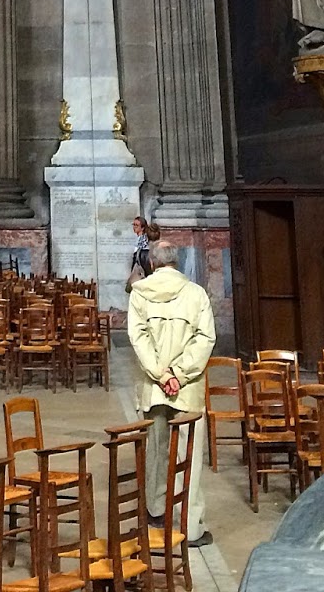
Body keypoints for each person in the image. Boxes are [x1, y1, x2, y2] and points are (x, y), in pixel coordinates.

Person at [127, 241, 217, 546]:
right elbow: (205, 339)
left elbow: (138, 340)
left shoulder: (140, 293)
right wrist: (179, 375)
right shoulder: (196, 294)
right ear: (176, 263)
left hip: (153, 389)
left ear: (152, 263)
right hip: (187, 389)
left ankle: (156, 514)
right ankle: (189, 526)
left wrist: (162, 374)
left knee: (156, 451)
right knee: (188, 456)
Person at [125, 215, 160, 292]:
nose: (134, 227)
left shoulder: (143, 240)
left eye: (136, 225)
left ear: (143, 227)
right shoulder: (137, 238)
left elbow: (140, 255)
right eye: (133, 224)